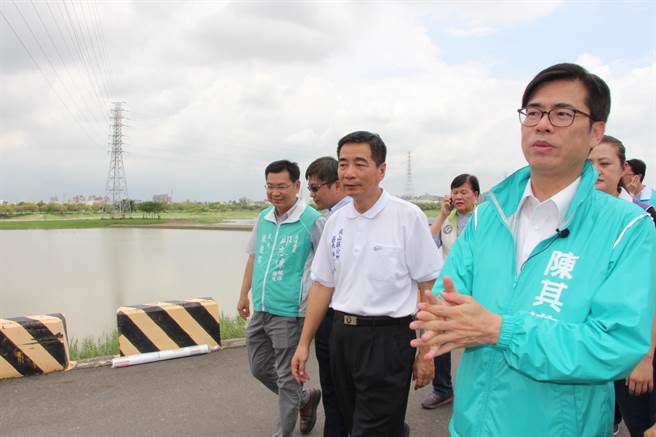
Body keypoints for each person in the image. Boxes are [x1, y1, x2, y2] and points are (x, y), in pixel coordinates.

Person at [411, 63, 656, 437]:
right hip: (472, 424)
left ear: (596, 132)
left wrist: (501, 331)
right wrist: (436, 321)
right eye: (534, 112)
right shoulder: (487, 217)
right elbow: (447, 301)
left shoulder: (628, 228)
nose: (543, 124)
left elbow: (615, 345)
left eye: (562, 114)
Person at [291, 131, 442, 436]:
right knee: (353, 421)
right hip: (342, 336)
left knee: (371, 429)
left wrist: (427, 350)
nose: (349, 173)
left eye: (360, 164)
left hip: (388, 338)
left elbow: (428, 287)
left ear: (381, 170)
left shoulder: (407, 216)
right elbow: (322, 286)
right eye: (343, 164)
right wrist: (303, 343)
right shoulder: (335, 221)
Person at [236, 160, 324, 437]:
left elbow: (328, 269)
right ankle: (305, 399)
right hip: (262, 307)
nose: (275, 192)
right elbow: (254, 257)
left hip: (290, 312)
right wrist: (243, 295)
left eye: (281, 186)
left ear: (297, 186)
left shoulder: (312, 220)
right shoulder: (263, 217)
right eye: (270, 186)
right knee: (259, 368)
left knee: (287, 378)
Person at [589, 136, 656, 436]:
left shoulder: (643, 220)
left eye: (604, 163)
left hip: (631, 347)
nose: (596, 171)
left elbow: (651, 293)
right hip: (589, 348)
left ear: (623, 168)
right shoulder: (572, 218)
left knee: (642, 424)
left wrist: (645, 356)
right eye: (588, 164)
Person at [421, 174, 480, 410]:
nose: (458, 196)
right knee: (440, 334)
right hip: (449, 289)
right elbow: (426, 245)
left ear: (476, 195)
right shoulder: (448, 220)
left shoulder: (485, 220)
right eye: (455, 192)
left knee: (479, 341)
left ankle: (478, 392)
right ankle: (442, 389)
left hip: (479, 288)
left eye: (464, 192)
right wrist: (442, 215)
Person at [304, 156, 351, 437]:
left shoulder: (345, 219)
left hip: (346, 319)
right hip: (329, 316)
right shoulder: (330, 219)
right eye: (309, 188)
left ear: (337, 185)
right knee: (334, 388)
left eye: (315, 187)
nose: (312, 194)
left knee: (343, 389)